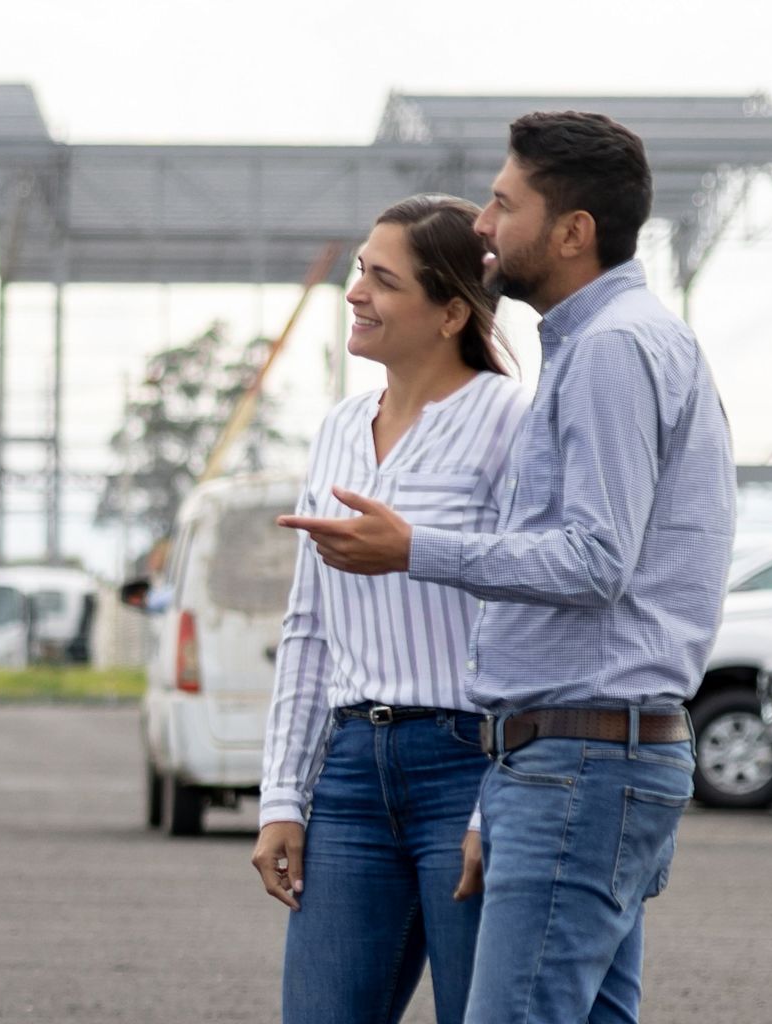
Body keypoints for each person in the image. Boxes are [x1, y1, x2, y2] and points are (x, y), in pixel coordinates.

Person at [277, 111, 735, 1023]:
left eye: (503, 203)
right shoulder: (606, 345)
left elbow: (597, 559)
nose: (483, 224)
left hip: (579, 759)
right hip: (580, 755)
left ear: (572, 232)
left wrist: (417, 550)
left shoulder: (607, 352)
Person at [250, 194, 526, 1023]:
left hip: (467, 762)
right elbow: (308, 629)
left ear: (450, 312)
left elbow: (528, 617)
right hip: (349, 775)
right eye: (358, 271)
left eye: (382, 278)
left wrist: (494, 805)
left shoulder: (511, 422)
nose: (354, 291)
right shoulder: (337, 428)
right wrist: (281, 799)